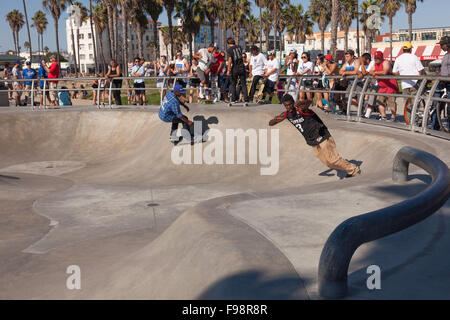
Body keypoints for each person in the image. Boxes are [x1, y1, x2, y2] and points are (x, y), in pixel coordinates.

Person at [269, 94, 361, 177]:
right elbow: (271, 123)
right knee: (328, 163)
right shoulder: (286, 114)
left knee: (333, 159)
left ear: (293, 103)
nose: (289, 107)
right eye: (286, 105)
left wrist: (302, 102)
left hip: (322, 135)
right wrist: (275, 120)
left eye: (290, 104)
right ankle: (349, 170)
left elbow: (309, 102)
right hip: (312, 141)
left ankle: (354, 169)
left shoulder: (301, 109)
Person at [369, 51, 399, 121]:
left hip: (390, 86)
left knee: (391, 103)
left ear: (381, 57)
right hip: (382, 87)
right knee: (379, 101)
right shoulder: (374, 64)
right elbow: (370, 71)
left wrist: (375, 73)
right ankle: (383, 116)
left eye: (378, 58)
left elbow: (385, 72)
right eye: (375, 58)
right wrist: (374, 73)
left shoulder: (385, 62)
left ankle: (393, 117)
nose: (376, 59)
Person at [431, 36, 450, 130]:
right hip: (442, 83)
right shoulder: (446, 55)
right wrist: (435, 76)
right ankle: (434, 126)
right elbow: (443, 70)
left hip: (448, 83)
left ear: (448, 44)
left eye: (442, 45)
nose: (441, 47)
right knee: (436, 105)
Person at [226, 38, 249, 104]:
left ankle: (233, 99)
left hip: (235, 68)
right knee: (243, 84)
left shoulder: (229, 50)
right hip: (242, 67)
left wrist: (228, 70)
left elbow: (230, 61)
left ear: (228, 44)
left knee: (233, 84)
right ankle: (246, 99)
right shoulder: (239, 47)